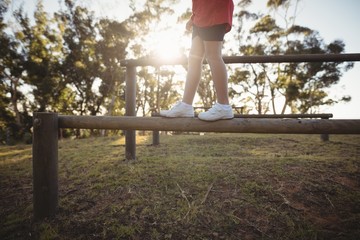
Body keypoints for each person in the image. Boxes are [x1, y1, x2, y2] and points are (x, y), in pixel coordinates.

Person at [160, 0, 234, 121]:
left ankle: (224, 106)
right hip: (200, 13)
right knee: (194, 58)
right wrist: (193, 16)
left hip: (214, 6)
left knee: (213, 55)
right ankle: (186, 105)